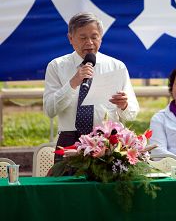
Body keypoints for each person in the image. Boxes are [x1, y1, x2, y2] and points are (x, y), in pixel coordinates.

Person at [43, 12, 139, 162]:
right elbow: (50, 110)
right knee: (67, 185)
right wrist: (73, 83)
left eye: (94, 37)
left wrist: (124, 105)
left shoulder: (116, 66)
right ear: (70, 38)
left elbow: (132, 114)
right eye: (83, 37)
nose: (89, 42)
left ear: (101, 37)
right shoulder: (57, 66)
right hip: (70, 140)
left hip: (108, 141)